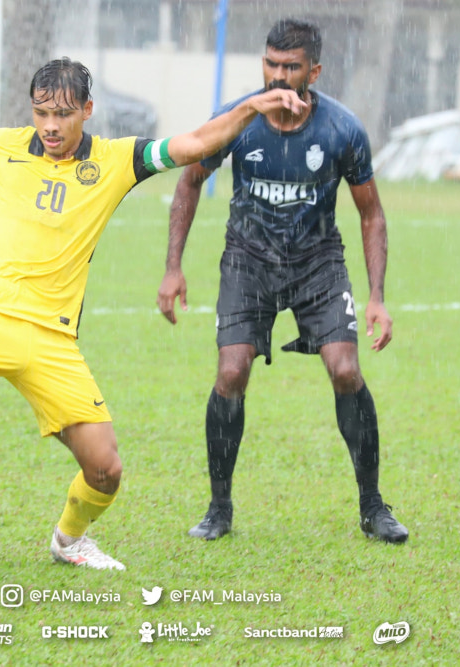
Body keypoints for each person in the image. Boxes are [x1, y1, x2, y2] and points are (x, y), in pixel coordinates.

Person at [0, 58, 307, 570]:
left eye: (63, 114)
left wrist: (251, 106)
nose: (50, 126)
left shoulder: (118, 160)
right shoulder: (2, 147)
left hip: (52, 338)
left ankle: (69, 541)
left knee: (105, 469)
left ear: (87, 110)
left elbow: (195, 144)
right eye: (41, 112)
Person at [156, 19, 408, 544]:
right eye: (270, 63)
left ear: (313, 72)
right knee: (231, 373)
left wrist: (377, 296)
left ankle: (373, 506)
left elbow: (371, 214)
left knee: (346, 369)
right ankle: (219, 508)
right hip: (248, 261)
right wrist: (173, 267)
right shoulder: (236, 120)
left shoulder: (342, 129)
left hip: (318, 263)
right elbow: (190, 181)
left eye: (290, 67)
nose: (277, 75)